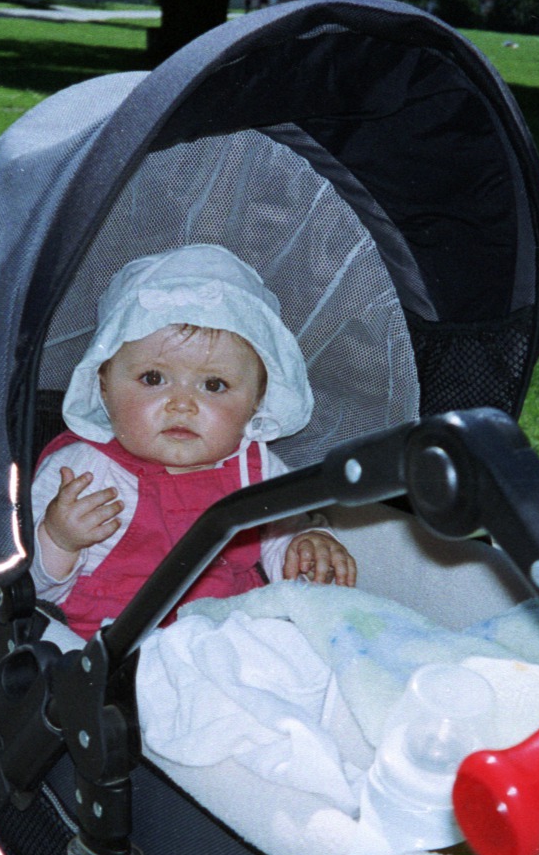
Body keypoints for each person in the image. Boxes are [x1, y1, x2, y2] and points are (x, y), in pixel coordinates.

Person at [32, 244, 357, 640]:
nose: (183, 404)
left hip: (229, 635)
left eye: (214, 385)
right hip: (112, 651)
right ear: (103, 387)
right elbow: (33, 591)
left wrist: (310, 543)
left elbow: (282, 543)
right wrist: (58, 539)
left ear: (256, 400)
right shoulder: (79, 473)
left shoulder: (255, 468)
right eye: (153, 378)